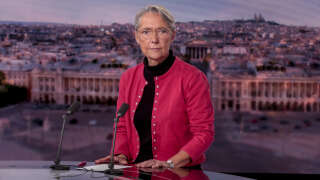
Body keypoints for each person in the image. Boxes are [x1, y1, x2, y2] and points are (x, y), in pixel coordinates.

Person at [95, 5, 214, 169]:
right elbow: (121, 127)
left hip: (179, 174)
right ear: (137, 37)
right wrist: (120, 155)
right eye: (146, 31)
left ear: (172, 35)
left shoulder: (193, 78)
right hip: (136, 171)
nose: (154, 39)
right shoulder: (128, 78)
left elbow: (203, 133)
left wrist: (170, 163)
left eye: (162, 31)